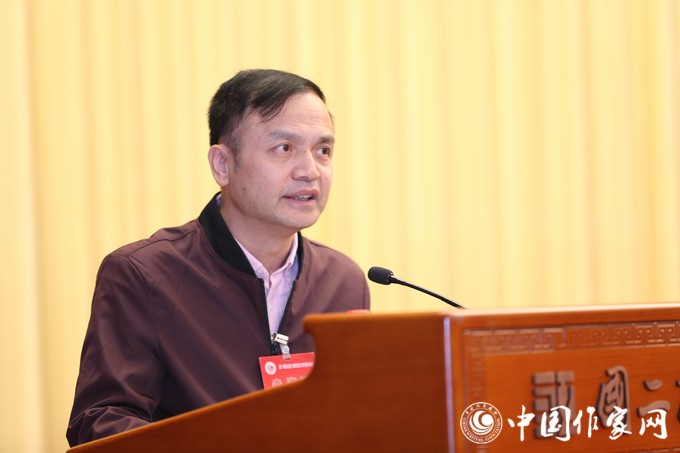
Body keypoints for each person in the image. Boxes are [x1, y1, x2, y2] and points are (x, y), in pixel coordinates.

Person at [66, 69, 370, 446]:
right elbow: (101, 423)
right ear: (222, 165)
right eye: (284, 148)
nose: (310, 171)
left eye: (323, 151)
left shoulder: (344, 281)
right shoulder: (144, 275)